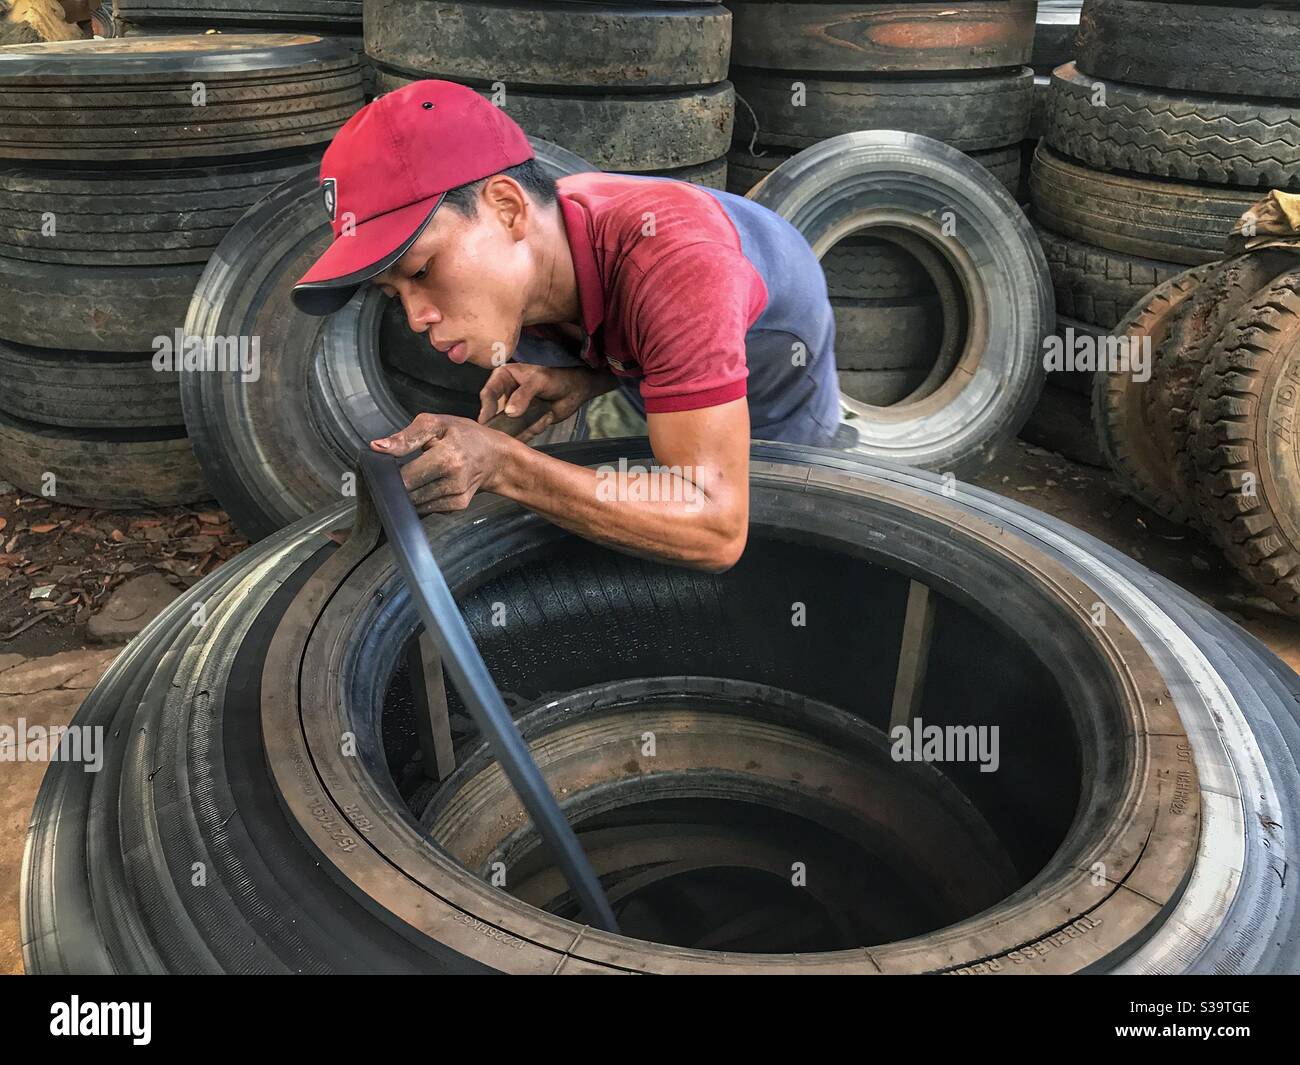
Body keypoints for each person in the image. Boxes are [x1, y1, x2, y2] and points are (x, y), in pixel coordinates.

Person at [292, 79, 841, 572]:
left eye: (423, 270)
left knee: (767, 559)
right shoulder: (537, 259)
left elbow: (716, 530)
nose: (417, 318)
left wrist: (505, 465)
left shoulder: (678, 265)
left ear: (507, 208)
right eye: (395, 295)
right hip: (683, 353)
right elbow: (637, 325)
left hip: (776, 401)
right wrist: (587, 375)